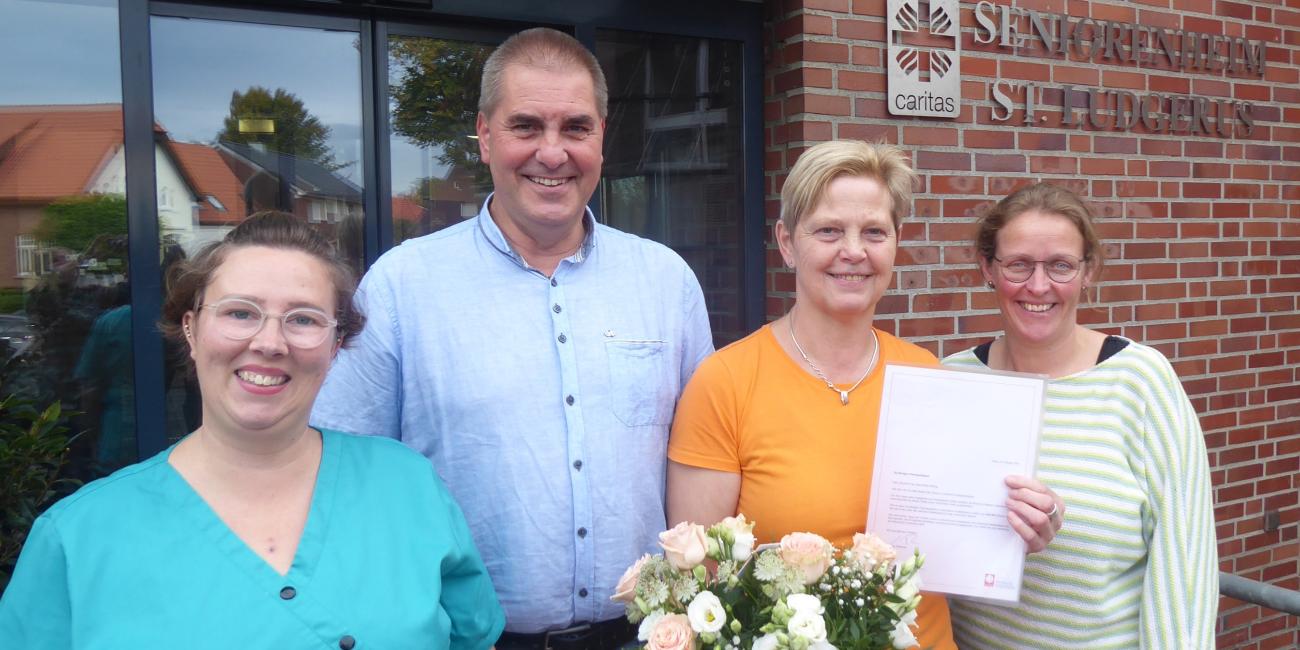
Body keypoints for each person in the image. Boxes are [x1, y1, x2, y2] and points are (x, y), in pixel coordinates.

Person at [311, 28, 713, 647]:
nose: (552, 153)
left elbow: (703, 464)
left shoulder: (667, 282)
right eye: (526, 126)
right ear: (485, 135)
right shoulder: (402, 286)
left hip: (648, 636)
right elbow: (342, 474)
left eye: (575, 128)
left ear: (602, 137)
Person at [0, 212, 504, 648]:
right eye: (240, 312)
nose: (270, 342)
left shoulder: (407, 487)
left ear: (336, 345)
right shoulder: (79, 537)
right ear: (191, 330)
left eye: (303, 320)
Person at [667, 141, 1062, 649]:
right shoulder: (725, 383)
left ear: (895, 244)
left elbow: (960, 538)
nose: (853, 251)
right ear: (787, 243)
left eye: (874, 232)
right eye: (829, 230)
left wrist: (1024, 524)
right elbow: (701, 588)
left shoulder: (927, 377)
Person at [942, 182, 1218, 648]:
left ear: (1088, 271)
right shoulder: (953, 381)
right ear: (988, 268)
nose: (1038, 285)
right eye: (1018, 264)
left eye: (1061, 266)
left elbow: (1184, 564)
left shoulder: (1140, 382)